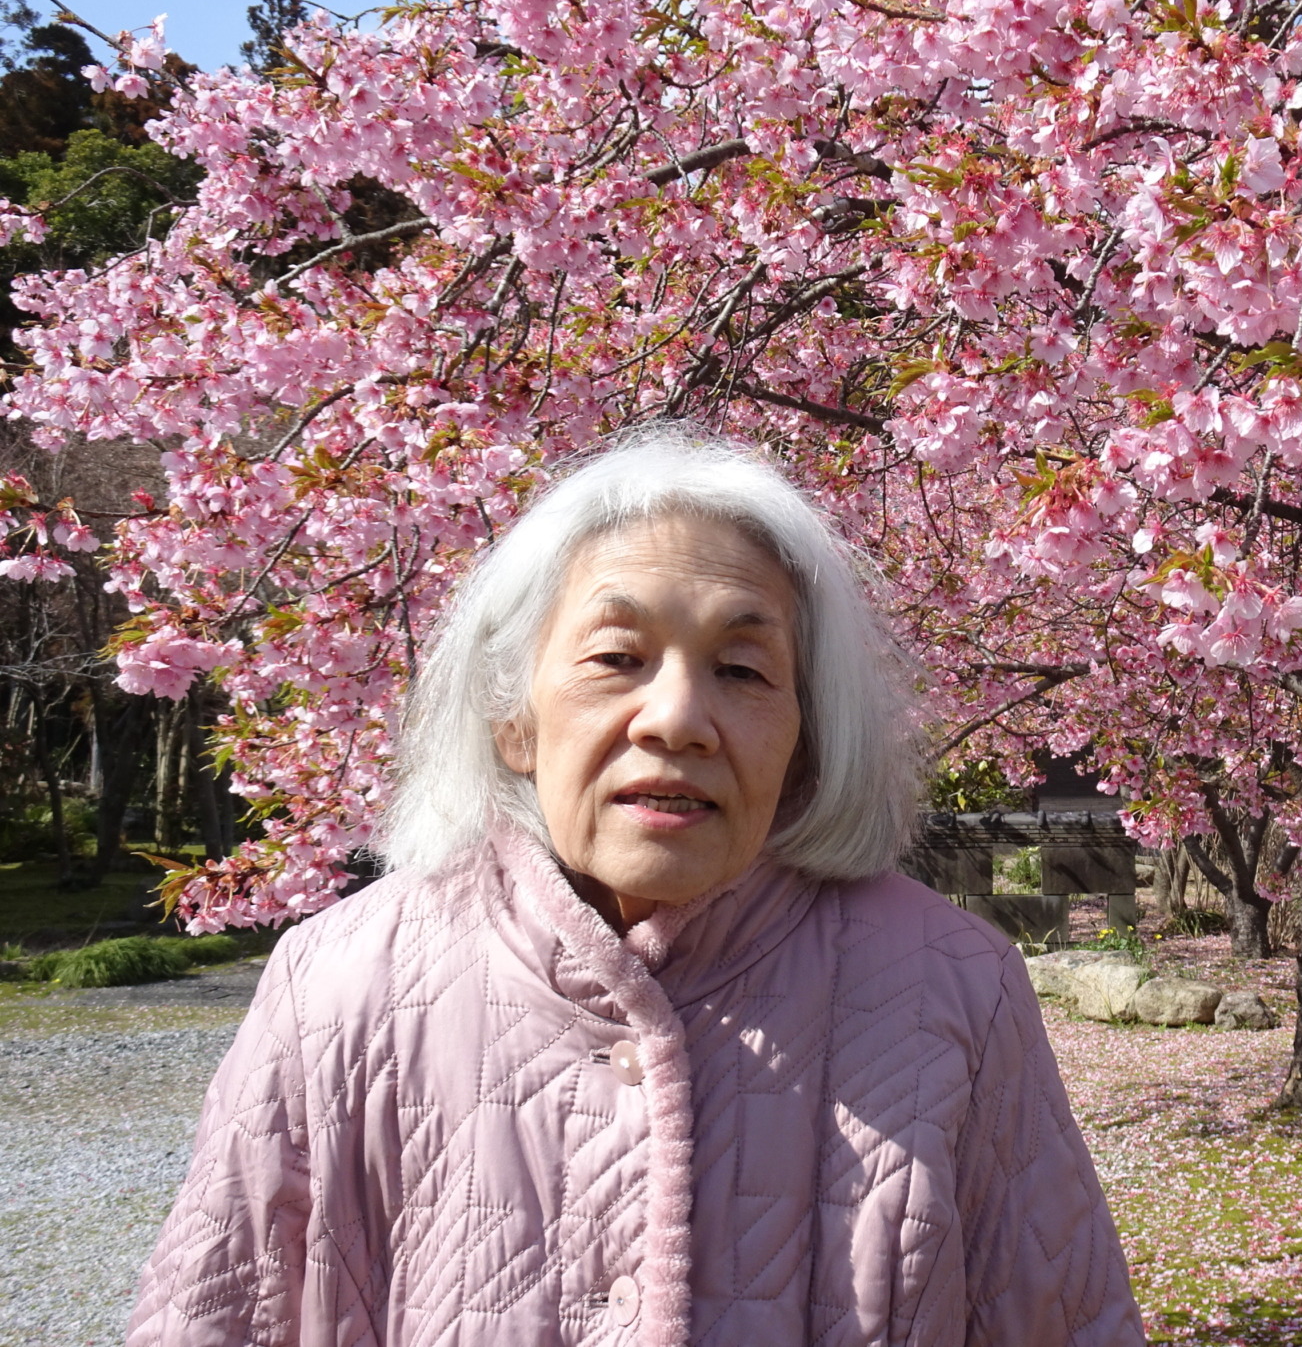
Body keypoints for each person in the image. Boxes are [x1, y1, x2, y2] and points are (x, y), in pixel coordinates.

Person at [128, 430, 1142, 1347]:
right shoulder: (338, 985)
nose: (677, 719)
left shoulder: (954, 986)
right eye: (617, 657)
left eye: (742, 670)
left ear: (804, 741)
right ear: (513, 718)